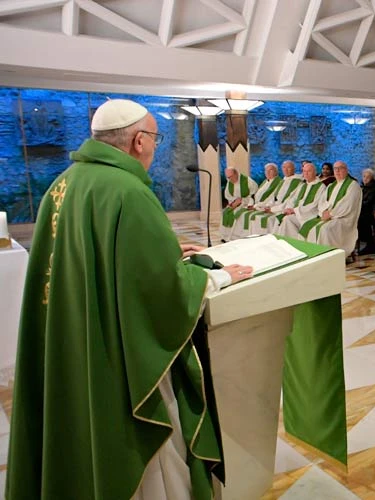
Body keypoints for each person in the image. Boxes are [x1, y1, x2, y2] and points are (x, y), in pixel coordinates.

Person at [6, 99, 253, 500]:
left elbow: (97, 259)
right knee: (154, 440)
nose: (154, 147)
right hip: (118, 355)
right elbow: (160, 293)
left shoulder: (64, 183)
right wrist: (219, 276)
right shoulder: (127, 190)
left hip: (78, 335)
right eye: (154, 138)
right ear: (139, 141)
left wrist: (165, 249)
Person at [298, 161, 362, 255]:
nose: (338, 171)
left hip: (343, 219)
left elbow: (347, 204)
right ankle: (311, 255)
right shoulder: (331, 186)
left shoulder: (353, 186)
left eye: (340, 168)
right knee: (307, 226)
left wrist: (331, 213)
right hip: (328, 216)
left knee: (325, 230)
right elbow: (322, 202)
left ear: (346, 170)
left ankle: (329, 257)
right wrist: (323, 212)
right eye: (335, 169)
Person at [248, 160, 304, 235]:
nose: (286, 170)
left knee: (268, 220)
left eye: (288, 167)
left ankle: (270, 241)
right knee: (256, 217)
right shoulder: (283, 181)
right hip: (275, 207)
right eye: (284, 167)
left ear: (293, 169)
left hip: (283, 209)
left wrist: (272, 209)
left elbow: (290, 201)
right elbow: (274, 198)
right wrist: (267, 206)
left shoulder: (298, 182)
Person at [277, 162, 326, 240]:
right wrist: (289, 209)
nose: (306, 174)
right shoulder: (302, 185)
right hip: (298, 214)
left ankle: (298, 243)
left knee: (289, 220)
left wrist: (294, 210)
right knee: (286, 219)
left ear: (315, 172)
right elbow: (293, 199)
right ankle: (289, 243)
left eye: (309, 171)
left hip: (310, 215)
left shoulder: (321, 186)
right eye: (304, 171)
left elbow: (314, 205)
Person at [236, 163, 282, 236]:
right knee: (241, 213)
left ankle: (258, 237)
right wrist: (251, 204)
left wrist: (256, 206)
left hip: (266, 206)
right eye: (266, 170)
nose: (267, 172)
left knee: (254, 218)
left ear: (276, 171)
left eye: (271, 170)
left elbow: (271, 198)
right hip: (258, 205)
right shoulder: (265, 181)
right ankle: (241, 236)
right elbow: (256, 195)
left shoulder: (279, 182)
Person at [221, 166, 258, 241]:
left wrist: (242, 201)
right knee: (226, 212)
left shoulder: (247, 181)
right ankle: (225, 236)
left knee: (236, 213)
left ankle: (236, 237)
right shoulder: (229, 182)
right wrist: (233, 202)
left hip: (246, 203)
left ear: (236, 174)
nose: (229, 179)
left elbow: (253, 194)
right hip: (235, 203)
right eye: (227, 177)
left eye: (230, 177)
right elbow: (228, 195)